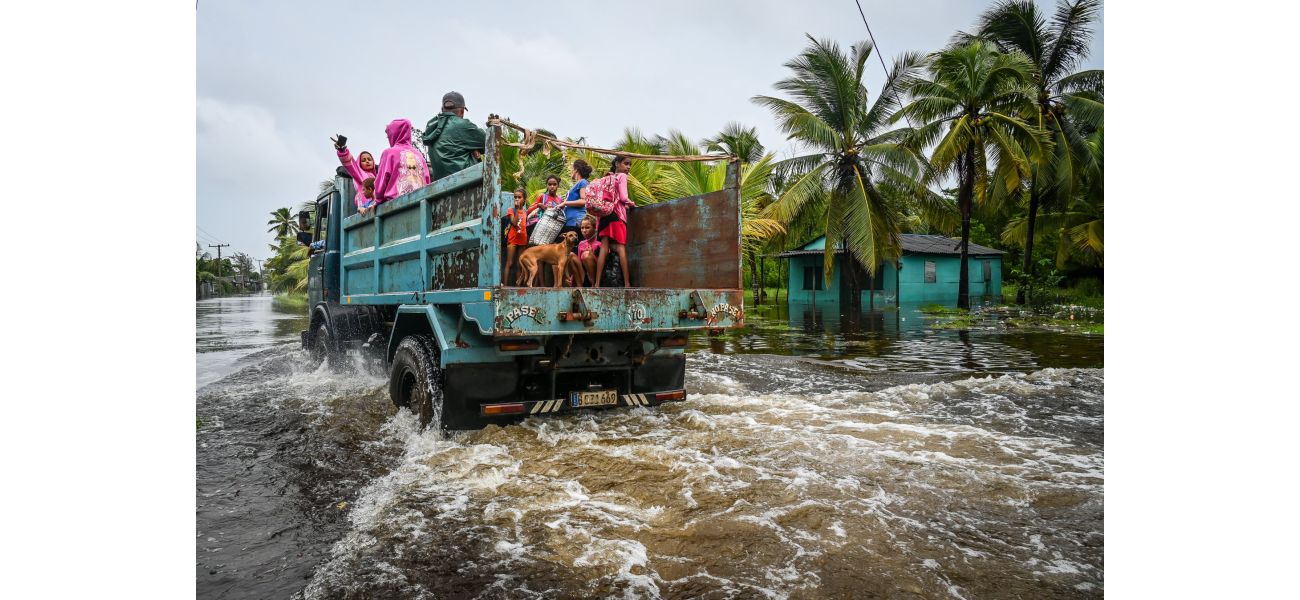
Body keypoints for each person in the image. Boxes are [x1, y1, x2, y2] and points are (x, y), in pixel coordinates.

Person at [421, 91, 487, 181]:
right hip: (466, 183)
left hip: (441, 187)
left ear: (442, 109)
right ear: (462, 110)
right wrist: (474, 149)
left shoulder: (432, 126)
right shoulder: (462, 125)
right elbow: (489, 143)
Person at [593, 155, 635, 288]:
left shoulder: (607, 177)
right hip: (617, 215)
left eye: (630, 165)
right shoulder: (622, 176)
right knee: (621, 248)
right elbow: (623, 197)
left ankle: (597, 283)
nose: (628, 167)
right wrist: (631, 203)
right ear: (617, 163)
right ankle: (627, 284)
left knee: (604, 248)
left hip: (605, 215)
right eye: (626, 163)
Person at [373, 119, 430, 205]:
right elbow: (427, 179)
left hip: (395, 206)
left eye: (389, 134)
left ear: (394, 134)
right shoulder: (419, 155)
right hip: (421, 203)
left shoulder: (389, 153)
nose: (388, 137)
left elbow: (380, 186)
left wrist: (377, 201)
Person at [330, 134, 378, 212]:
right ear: (359, 163)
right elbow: (350, 163)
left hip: (374, 207)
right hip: (366, 209)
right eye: (364, 160)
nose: (367, 161)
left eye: (369, 159)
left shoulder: (375, 175)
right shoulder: (359, 173)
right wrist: (342, 151)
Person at [559, 159, 592, 238]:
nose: (570, 171)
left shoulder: (583, 182)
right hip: (569, 221)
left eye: (571, 168)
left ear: (576, 169)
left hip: (576, 221)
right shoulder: (577, 184)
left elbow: (584, 201)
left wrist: (565, 203)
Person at [504, 189, 529, 284]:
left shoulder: (526, 212)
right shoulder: (511, 210)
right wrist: (517, 209)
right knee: (509, 263)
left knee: (520, 264)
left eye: (519, 197)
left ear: (524, 199)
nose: (517, 199)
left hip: (522, 240)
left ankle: (518, 286)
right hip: (513, 239)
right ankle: (505, 285)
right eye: (515, 197)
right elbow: (514, 223)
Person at [575, 215, 601, 287]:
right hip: (585, 274)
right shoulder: (581, 244)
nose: (584, 230)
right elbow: (579, 263)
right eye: (582, 228)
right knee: (571, 255)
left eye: (587, 228)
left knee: (586, 255)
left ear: (595, 228)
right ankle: (578, 284)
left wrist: (592, 254)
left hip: (599, 274)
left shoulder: (600, 243)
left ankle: (593, 284)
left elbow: (604, 264)